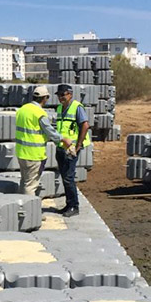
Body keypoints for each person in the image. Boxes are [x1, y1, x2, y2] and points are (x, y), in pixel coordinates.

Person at [15, 85, 72, 197]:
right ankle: (29, 206)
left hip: (21, 152)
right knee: (31, 186)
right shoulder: (39, 113)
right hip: (34, 154)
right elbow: (49, 131)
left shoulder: (23, 109)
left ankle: (20, 203)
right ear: (45, 98)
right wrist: (63, 139)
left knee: (25, 181)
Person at [55, 84, 91, 217]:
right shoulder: (60, 108)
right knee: (65, 177)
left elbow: (85, 125)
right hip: (62, 147)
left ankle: (74, 206)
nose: (60, 97)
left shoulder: (77, 107)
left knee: (69, 177)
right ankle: (69, 204)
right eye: (59, 95)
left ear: (70, 94)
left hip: (72, 148)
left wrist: (78, 145)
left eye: (63, 95)